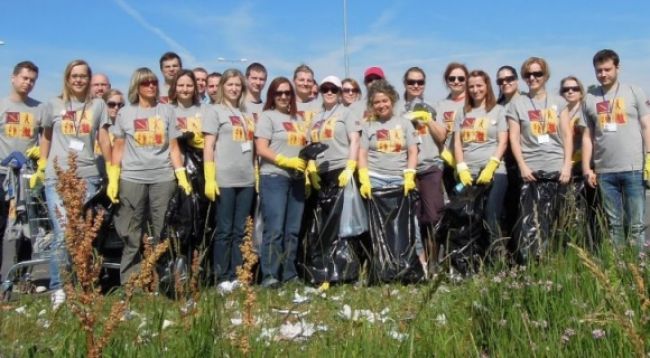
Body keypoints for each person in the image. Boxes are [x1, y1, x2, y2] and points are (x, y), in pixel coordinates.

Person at [31, 59, 112, 308]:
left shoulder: (97, 105)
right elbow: (46, 137)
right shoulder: (52, 105)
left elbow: (104, 138)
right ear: (67, 78)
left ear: (89, 79)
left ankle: (82, 281)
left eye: (83, 76)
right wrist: (43, 165)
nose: (79, 80)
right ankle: (59, 286)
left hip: (87, 174)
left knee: (81, 232)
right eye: (74, 76)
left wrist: (112, 170)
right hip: (58, 175)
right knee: (63, 230)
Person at [108, 67, 191, 284]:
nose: (152, 86)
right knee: (132, 234)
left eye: (154, 82)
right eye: (146, 83)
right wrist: (113, 178)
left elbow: (173, 147)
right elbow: (118, 147)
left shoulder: (166, 112)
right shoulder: (125, 113)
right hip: (132, 178)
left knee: (162, 231)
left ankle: (160, 280)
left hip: (163, 178)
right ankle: (131, 282)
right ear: (137, 86)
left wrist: (180, 173)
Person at [581, 49, 650, 248]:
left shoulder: (633, 91)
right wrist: (587, 168)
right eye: (599, 70)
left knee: (636, 225)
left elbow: (646, 126)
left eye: (607, 69)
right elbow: (588, 136)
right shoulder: (590, 98)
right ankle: (617, 268)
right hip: (605, 171)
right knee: (614, 225)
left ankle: (636, 268)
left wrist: (649, 158)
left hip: (634, 167)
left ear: (618, 68)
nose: (603, 74)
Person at [506, 57, 572, 263]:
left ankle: (557, 260)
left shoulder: (559, 102)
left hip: (556, 168)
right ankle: (534, 262)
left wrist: (566, 165)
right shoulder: (517, 104)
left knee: (557, 219)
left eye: (537, 74)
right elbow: (514, 138)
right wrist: (523, 166)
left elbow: (567, 135)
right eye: (528, 75)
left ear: (546, 75)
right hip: (532, 170)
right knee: (532, 221)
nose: (532, 78)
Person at [203, 69, 255, 289]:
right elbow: (208, 145)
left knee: (241, 231)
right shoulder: (215, 111)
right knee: (224, 230)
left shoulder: (247, 113)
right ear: (222, 86)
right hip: (224, 178)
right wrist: (209, 177)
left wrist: (256, 174)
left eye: (237, 85)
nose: (234, 89)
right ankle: (222, 276)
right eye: (230, 84)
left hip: (247, 179)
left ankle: (238, 275)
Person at [254, 77, 307, 288]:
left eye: (287, 93)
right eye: (279, 93)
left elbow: (305, 146)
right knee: (274, 228)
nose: (284, 97)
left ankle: (289, 274)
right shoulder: (267, 117)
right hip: (275, 177)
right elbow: (261, 148)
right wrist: (285, 160)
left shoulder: (299, 120)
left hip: (297, 180)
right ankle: (270, 275)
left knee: (292, 229)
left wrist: (307, 166)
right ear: (272, 96)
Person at [0, 61, 45, 281]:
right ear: (13, 78)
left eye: (32, 80)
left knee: (29, 227)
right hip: (3, 173)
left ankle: (24, 276)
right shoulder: (2, 106)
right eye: (24, 78)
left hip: (28, 176)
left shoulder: (39, 108)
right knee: (2, 225)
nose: (28, 83)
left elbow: (44, 139)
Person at [453, 70, 508, 247]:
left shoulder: (498, 111)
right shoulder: (462, 112)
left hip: (495, 173)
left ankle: (497, 260)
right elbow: (457, 143)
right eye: (471, 86)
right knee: (469, 218)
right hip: (469, 174)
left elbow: (503, 141)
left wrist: (492, 165)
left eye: (479, 85)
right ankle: (474, 261)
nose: (475, 90)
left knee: (491, 216)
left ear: (487, 86)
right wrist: (461, 167)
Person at [398, 67, 447, 269]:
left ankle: (436, 260)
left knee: (434, 217)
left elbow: (442, 136)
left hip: (429, 166)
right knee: (412, 219)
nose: (416, 86)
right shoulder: (397, 109)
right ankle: (417, 261)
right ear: (405, 84)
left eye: (420, 82)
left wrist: (427, 118)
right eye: (412, 82)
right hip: (405, 170)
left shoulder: (432, 106)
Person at [495, 66, 522, 239]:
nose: (505, 83)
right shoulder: (497, 106)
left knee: (522, 208)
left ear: (517, 80)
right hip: (504, 162)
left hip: (524, 160)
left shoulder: (527, 101)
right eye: (500, 81)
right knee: (505, 209)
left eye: (509, 78)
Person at [436, 63, 469, 195]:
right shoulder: (440, 105)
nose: (456, 81)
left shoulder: (474, 102)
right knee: (455, 204)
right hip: (449, 162)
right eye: (452, 78)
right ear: (446, 80)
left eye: (461, 78)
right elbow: (438, 135)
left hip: (471, 160)